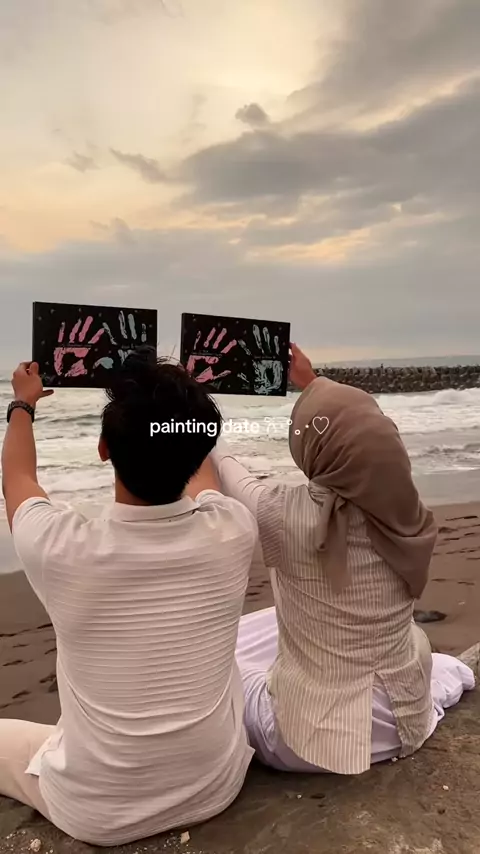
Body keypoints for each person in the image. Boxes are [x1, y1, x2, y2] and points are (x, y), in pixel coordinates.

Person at [0, 348, 257, 845]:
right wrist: (182, 409)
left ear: (103, 449)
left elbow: (18, 479)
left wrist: (22, 405)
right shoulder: (233, 530)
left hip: (97, 812)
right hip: (215, 786)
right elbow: (203, 474)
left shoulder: (61, 547)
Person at [211, 343, 475, 774]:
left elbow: (225, 467)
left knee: (221, 667)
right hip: (403, 723)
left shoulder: (282, 513)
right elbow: (357, 428)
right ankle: (452, 675)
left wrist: (193, 407)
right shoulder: (405, 510)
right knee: (275, 624)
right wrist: (311, 382)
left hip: (309, 742)